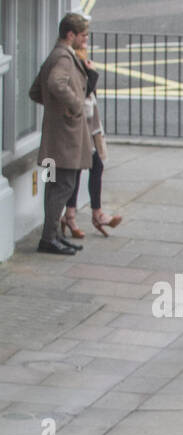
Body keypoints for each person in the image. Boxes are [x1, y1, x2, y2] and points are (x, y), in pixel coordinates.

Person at [29, 12, 94, 256]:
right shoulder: (64, 58)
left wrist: (55, 108)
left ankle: (53, 235)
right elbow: (56, 84)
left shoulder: (55, 55)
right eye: (83, 35)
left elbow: (36, 91)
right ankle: (49, 238)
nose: (85, 40)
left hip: (54, 136)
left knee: (54, 185)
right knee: (63, 185)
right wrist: (74, 106)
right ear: (71, 35)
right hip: (65, 138)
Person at [64, 43, 123, 239]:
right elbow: (82, 98)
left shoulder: (80, 65)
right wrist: (92, 74)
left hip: (88, 128)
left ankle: (74, 214)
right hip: (78, 128)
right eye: (83, 42)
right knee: (86, 167)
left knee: (88, 167)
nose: (86, 46)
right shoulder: (73, 67)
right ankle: (85, 215)